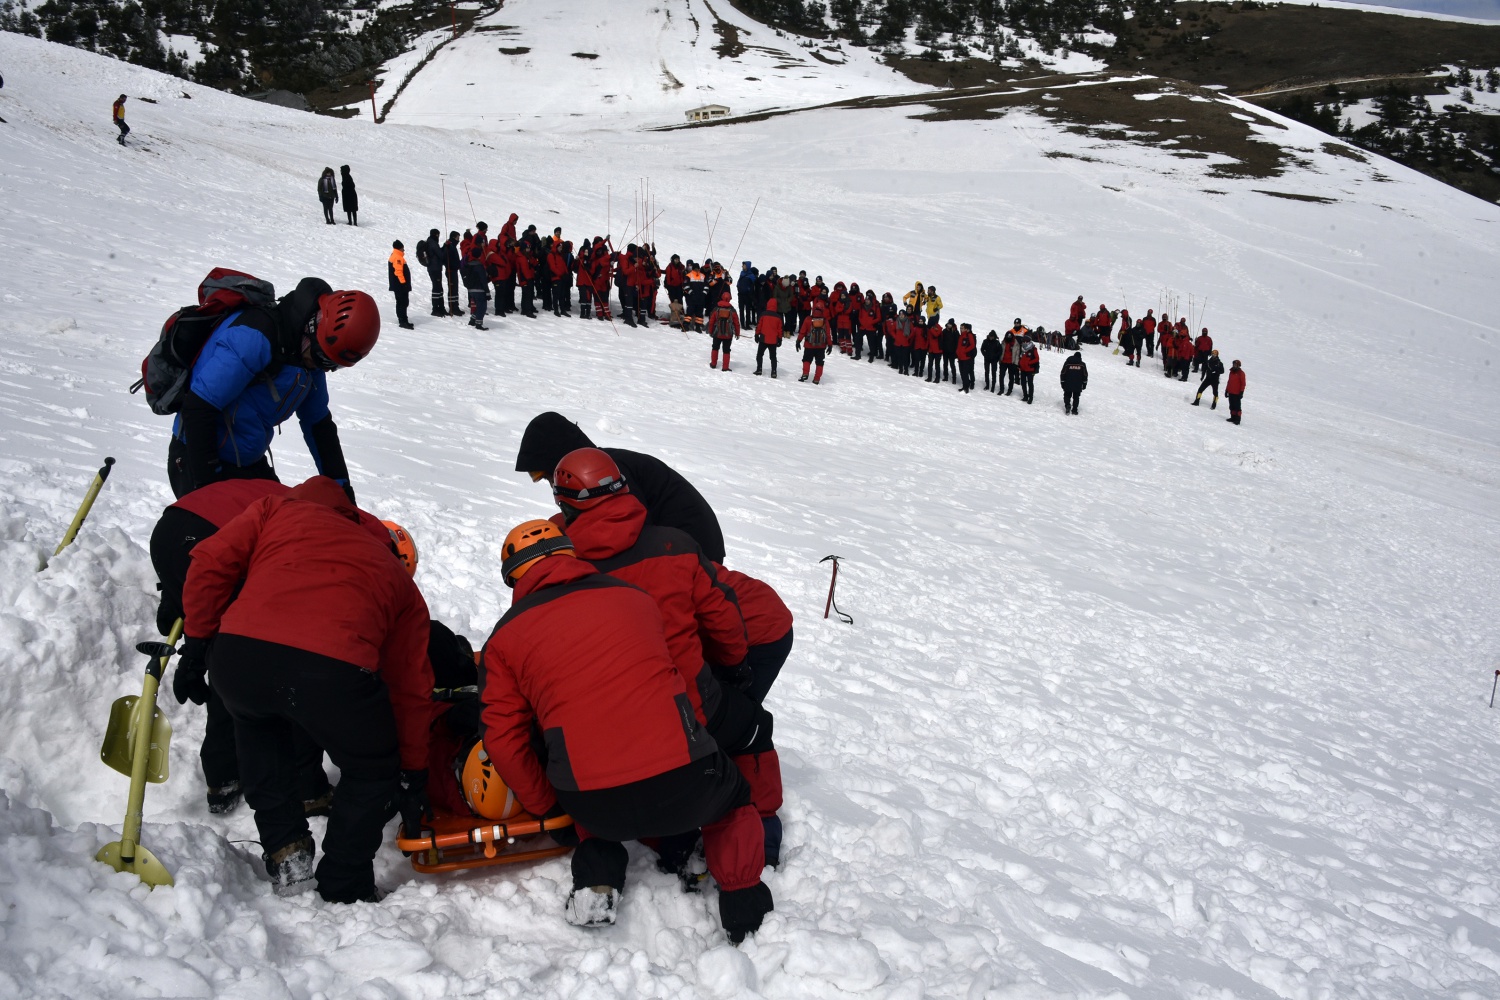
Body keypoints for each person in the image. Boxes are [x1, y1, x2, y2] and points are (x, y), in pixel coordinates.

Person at [480, 519, 772, 940]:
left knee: (580, 775)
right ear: (571, 554)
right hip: (685, 783)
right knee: (733, 798)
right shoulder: (636, 599)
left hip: (592, 805)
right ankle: (745, 906)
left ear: (515, 579)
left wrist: (550, 809)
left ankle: (597, 881)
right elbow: (677, 676)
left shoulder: (504, 639)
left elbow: (504, 739)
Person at [181, 476, 435, 903]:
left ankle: (287, 854)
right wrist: (411, 769)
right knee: (371, 767)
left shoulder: (274, 511)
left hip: (240, 658)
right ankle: (344, 881)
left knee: (260, 734)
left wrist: (197, 642)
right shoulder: (394, 573)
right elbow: (410, 684)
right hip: (332, 671)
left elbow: (209, 562)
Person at [552, 449, 783, 874]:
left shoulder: (559, 563)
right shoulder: (674, 545)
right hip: (687, 707)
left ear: (564, 504)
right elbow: (724, 619)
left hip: (601, 720)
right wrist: (735, 674)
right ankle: (762, 838)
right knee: (751, 728)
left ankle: (670, 842)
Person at [167, 278, 377, 499]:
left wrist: (342, 491)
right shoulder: (254, 338)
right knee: (229, 532)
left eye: (334, 365)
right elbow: (198, 407)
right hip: (197, 458)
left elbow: (318, 425)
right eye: (325, 360)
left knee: (283, 527)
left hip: (248, 461)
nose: (326, 369)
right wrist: (209, 489)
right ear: (312, 329)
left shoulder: (307, 358)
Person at [514, 412, 726, 562]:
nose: (553, 485)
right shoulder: (598, 472)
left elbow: (628, 535)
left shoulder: (608, 473)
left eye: (548, 476)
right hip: (679, 543)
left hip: (695, 547)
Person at [710, 564, 792, 706]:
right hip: (756, 608)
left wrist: (736, 669)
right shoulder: (677, 560)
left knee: (733, 710)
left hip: (767, 632)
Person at [797, 304, 832, 385]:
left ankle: (805, 374)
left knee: (806, 360)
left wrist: (798, 341)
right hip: (821, 346)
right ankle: (816, 379)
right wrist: (830, 345)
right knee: (819, 362)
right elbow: (828, 334)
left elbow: (802, 331)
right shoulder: (825, 321)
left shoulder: (808, 319)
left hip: (809, 345)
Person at [416, 229, 445, 317]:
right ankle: (436, 309)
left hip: (432, 268)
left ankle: (440, 308)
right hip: (435, 268)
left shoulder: (429, 242)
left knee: (438, 287)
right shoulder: (433, 243)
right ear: (436, 234)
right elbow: (440, 254)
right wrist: (444, 247)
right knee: (437, 288)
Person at [708, 292, 740, 372]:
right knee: (726, 350)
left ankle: (713, 364)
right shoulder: (732, 310)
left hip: (717, 333)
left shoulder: (716, 309)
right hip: (728, 334)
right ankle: (725, 367)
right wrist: (737, 333)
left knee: (715, 347)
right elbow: (736, 323)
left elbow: (711, 321)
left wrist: (710, 331)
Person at [462, 242, 489, 329]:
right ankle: (478, 324)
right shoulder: (479, 266)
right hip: (479, 289)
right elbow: (483, 279)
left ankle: (473, 320)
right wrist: (487, 291)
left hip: (471, 289)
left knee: (478, 305)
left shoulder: (468, 265)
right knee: (482, 306)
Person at [388, 241, 414, 330]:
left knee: (400, 302)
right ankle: (403, 321)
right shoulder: (398, 257)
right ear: (399, 248)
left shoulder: (394, 255)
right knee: (403, 302)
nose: (404, 249)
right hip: (400, 285)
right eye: (403, 248)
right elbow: (398, 271)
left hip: (397, 285)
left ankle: (402, 320)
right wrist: (403, 283)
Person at [754, 297, 783, 377]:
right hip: (773, 340)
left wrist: (756, 334)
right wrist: (780, 339)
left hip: (763, 338)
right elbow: (779, 329)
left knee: (760, 354)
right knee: (773, 357)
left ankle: (759, 369)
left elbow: (759, 325)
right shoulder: (778, 317)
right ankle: (774, 371)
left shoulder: (763, 314)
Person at [1060, 351, 1087, 415]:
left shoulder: (1067, 363)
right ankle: (1074, 410)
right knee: (1076, 397)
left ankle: (1067, 406)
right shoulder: (1082, 365)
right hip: (1078, 384)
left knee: (1067, 395)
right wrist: (1084, 384)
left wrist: (1062, 382)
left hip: (1068, 383)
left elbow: (1063, 373)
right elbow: (1085, 375)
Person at [955, 323, 977, 393]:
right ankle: (964, 386)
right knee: (962, 373)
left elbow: (972, 345)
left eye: (962, 328)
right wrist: (958, 353)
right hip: (961, 357)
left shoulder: (969, 335)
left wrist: (965, 351)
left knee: (965, 373)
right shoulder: (961, 336)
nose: (961, 329)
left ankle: (966, 387)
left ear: (966, 329)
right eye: (960, 328)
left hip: (966, 358)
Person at [1018, 339, 1039, 403]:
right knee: (1023, 383)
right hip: (1023, 369)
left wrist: (1029, 362)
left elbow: (1037, 358)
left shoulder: (1033, 349)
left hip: (1030, 369)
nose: (1024, 342)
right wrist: (1019, 365)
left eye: (1025, 341)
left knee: (1030, 384)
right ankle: (1025, 396)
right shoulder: (1022, 349)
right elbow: (1020, 357)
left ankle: (1030, 397)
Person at [737, 262, 757, 327]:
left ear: (747, 266)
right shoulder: (742, 273)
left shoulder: (751, 275)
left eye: (744, 265)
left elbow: (753, 285)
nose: (742, 266)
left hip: (747, 295)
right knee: (741, 309)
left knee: (748, 310)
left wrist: (749, 291)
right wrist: (738, 288)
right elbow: (739, 282)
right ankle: (742, 324)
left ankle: (747, 324)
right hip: (741, 294)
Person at [1225, 360, 1246, 424]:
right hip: (1231, 392)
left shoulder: (1241, 373)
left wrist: (1241, 392)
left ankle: (1237, 419)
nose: (1234, 366)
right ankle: (1233, 417)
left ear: (1238, 365)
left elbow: (1243, 383)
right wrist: (1227, 390)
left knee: (1237, 407)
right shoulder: (1231, 372)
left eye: (1236, 365)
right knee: (1231, 406)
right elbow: (1229, 382)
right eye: (1233, 364)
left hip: (1237, 393)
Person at [940, 319, 960, 385]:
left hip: (952, 352)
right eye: (948, 324)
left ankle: (954, 378)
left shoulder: (955, 332)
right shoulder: (945, 331)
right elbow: (942, 340)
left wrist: (955, 352)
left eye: (950, 324)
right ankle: (945, 376)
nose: (949, 325)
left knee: (952, 365)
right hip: (945, 351)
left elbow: (957, 343)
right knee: (945, 364)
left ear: (952, 325)